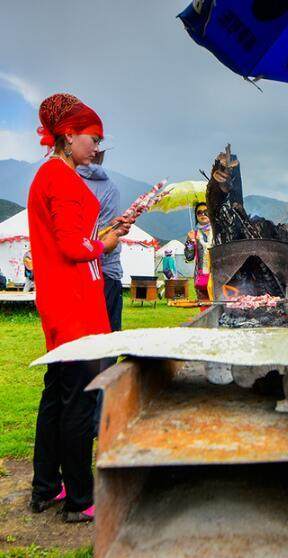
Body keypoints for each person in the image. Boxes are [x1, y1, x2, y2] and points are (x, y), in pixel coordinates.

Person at [27, 93, 129, 523]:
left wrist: (105, 231)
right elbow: (73, 246)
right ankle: (80, 498)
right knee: (79, 398)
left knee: (57, 393)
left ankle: (47, 487)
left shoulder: (50, 176)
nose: (97, 146)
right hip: (75, 300)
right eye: (93, 138)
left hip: (59, 296)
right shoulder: (64, 180)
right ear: (68, 136)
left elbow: (66, 234)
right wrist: (104, 243)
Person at [77, 151, 125, 333]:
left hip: (73, 274)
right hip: (104, 271)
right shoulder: (109, 188)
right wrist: (110, 238)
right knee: (106, 340)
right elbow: (107, 239)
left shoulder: (66, 179)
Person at [185, 202, 212, 301]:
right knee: (203, 306)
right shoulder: (193, 234)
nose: (203, 215)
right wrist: (190, 242)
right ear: (196, 216)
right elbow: (189, 256)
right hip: (201, 276)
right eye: (199, 212)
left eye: (206, 212)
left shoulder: (217, 232)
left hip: (217, 275)